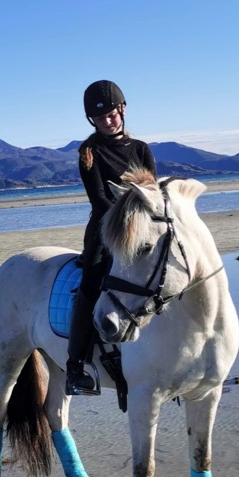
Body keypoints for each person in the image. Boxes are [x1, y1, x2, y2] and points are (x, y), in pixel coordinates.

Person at [66, 79, 158, 395]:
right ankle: (76, 367)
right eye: (100, 117)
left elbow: (152, 193)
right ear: (92, 120)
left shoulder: (141, 149)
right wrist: (127, 223)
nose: (108, 121)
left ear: (123, 110)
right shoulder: (89, 153)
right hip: (105, 232)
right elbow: (100, 200)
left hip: (143, 229)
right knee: (90, 286)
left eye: (112, 114)